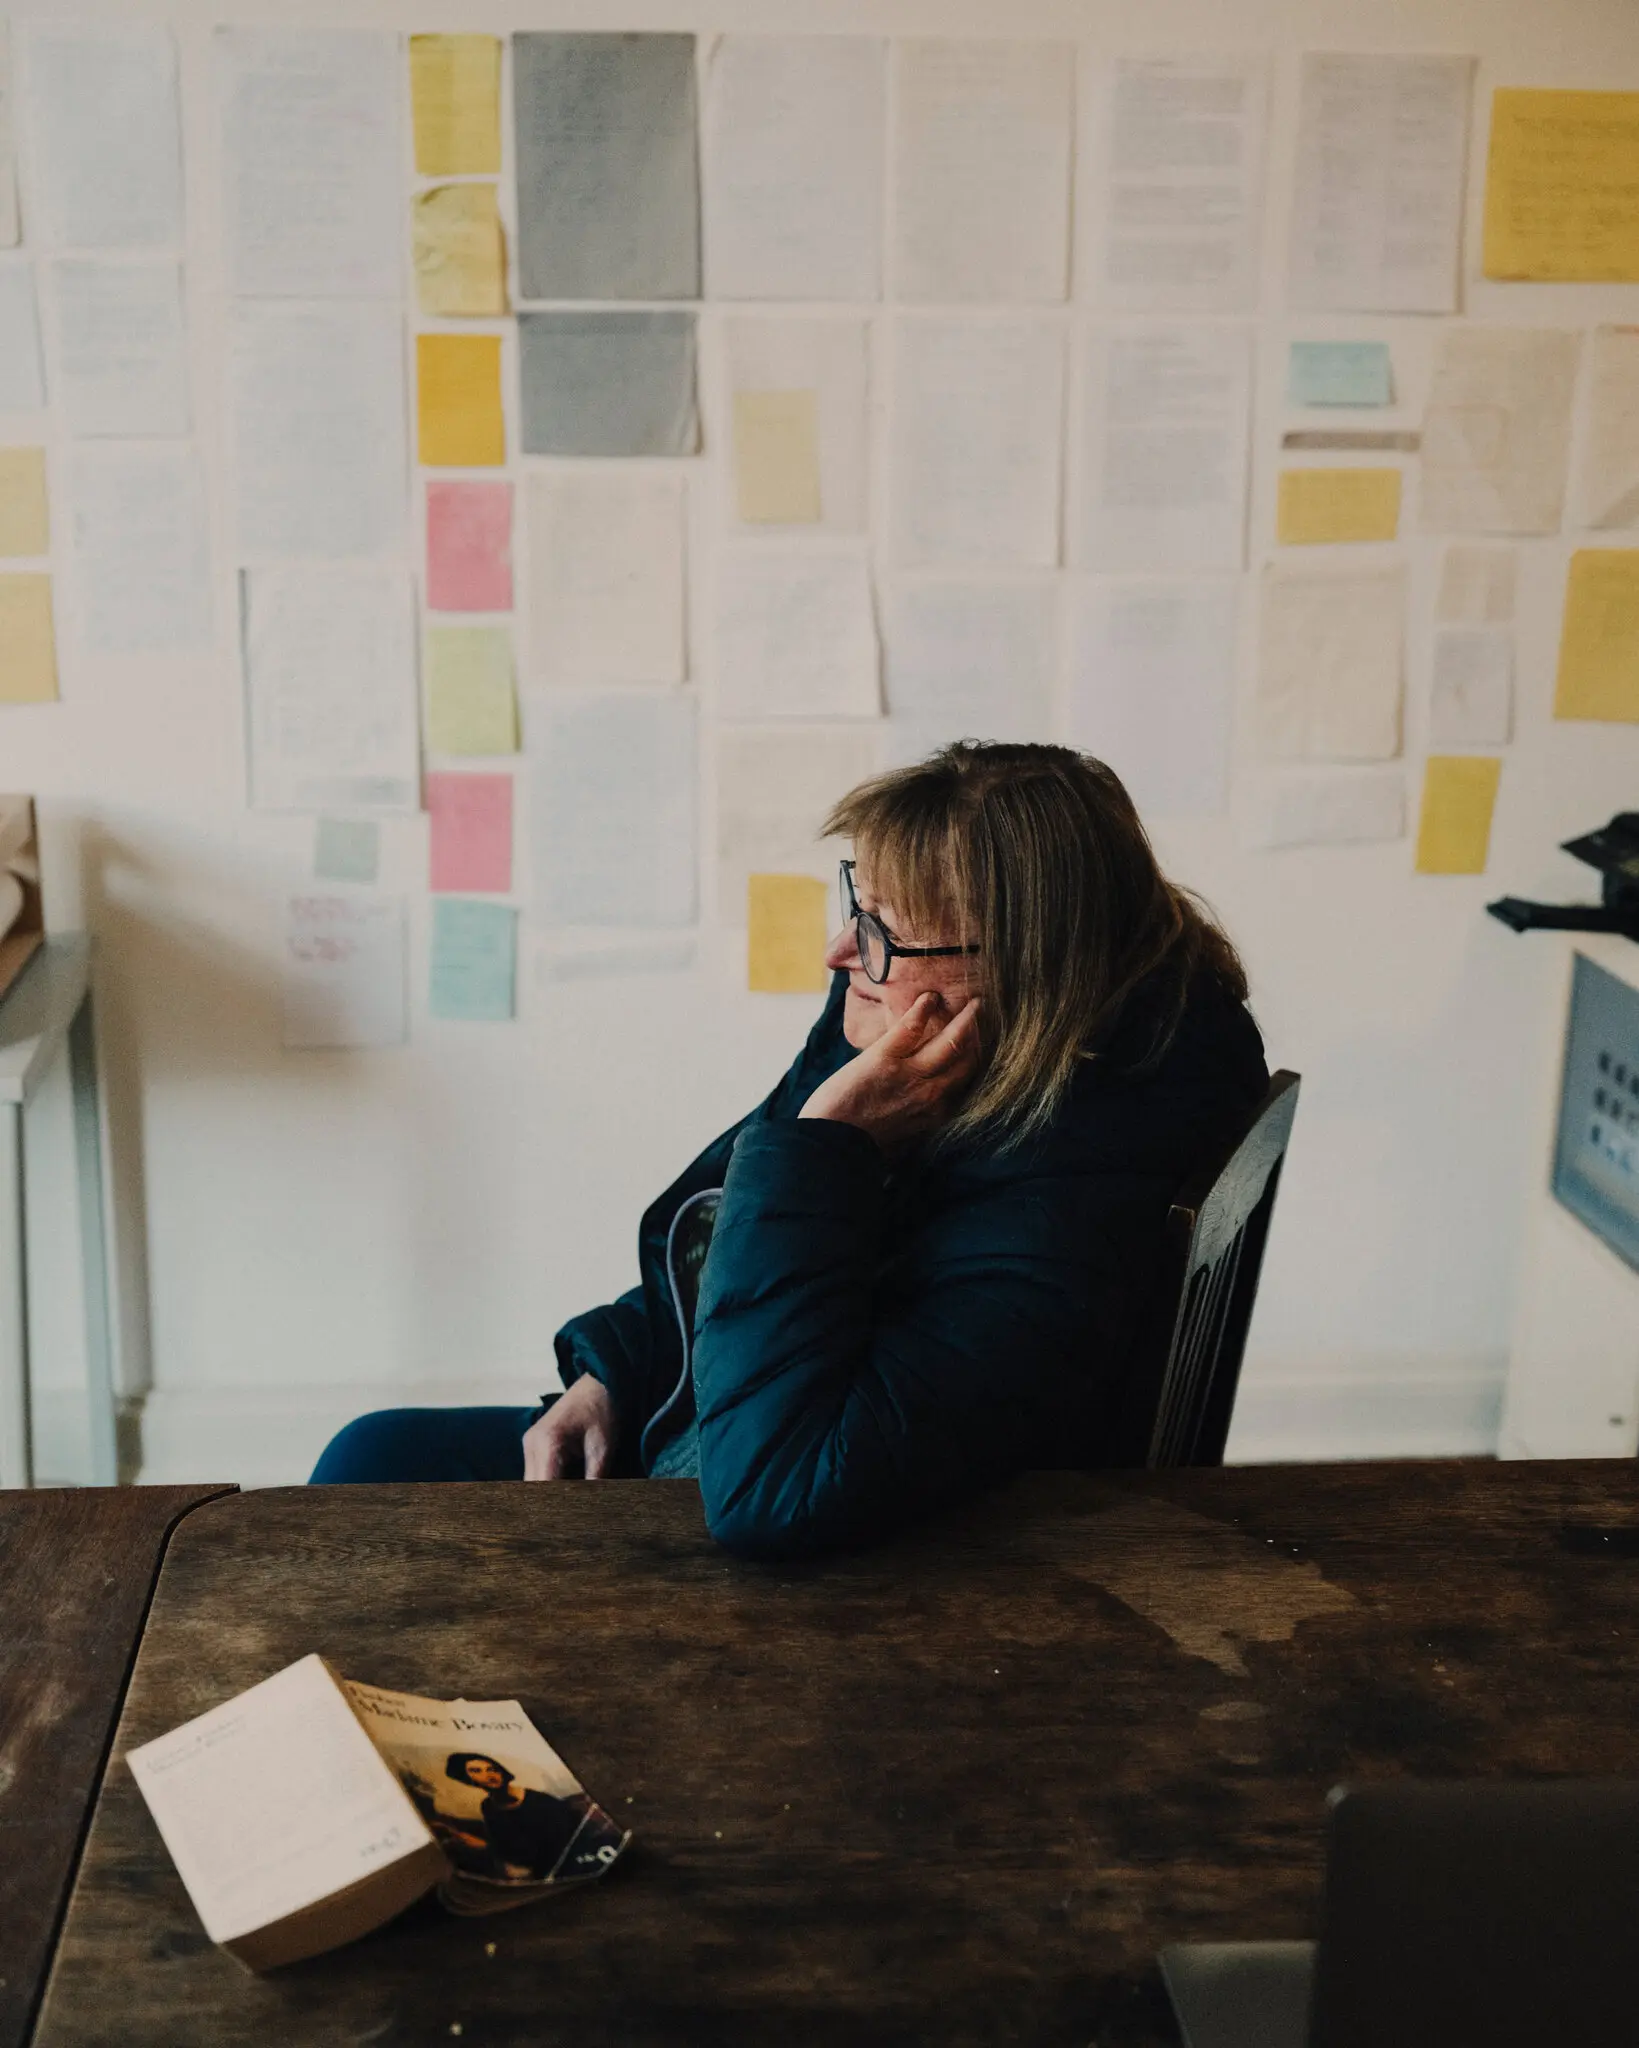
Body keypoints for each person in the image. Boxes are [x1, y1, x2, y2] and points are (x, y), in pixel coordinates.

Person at [312, 743, 1268, 1559]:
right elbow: (726, 1227)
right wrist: (614, 1375)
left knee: (365, 1499)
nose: (839, 954)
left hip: (812, 1520)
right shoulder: (934, 1028)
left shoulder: (1085, 1176)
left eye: (885, 931)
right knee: (372, 1456)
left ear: (1024, 962)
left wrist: (829, 1148)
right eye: (860, 906)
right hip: (735, 1415)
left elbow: (778, 1490)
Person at [442, 1753, 587, 1880]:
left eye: (492, 1769)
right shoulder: (488, 1806)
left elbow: (555, 1849)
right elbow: (503, 1844)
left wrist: (486, 1847)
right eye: (476, 1771)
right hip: (516, 1866)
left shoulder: (540, 1802)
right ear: (466, 1778)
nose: (489, 1775)